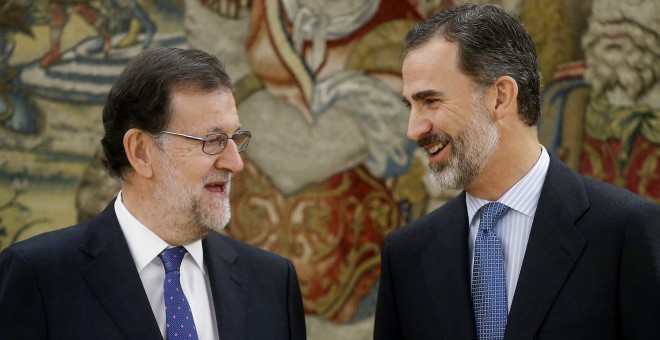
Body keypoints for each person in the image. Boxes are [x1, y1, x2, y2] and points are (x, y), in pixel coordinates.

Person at [374, 4, 660, 340]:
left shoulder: (625, 231)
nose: (414, 129)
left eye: (431, 102)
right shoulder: (406, 254)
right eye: (411, 106)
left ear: (501, 97)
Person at [0, 47, 306, 339]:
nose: (235, 162)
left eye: (234, 138)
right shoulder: (39, 277)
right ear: (142, 152)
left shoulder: (274, 282)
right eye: (212, 140)